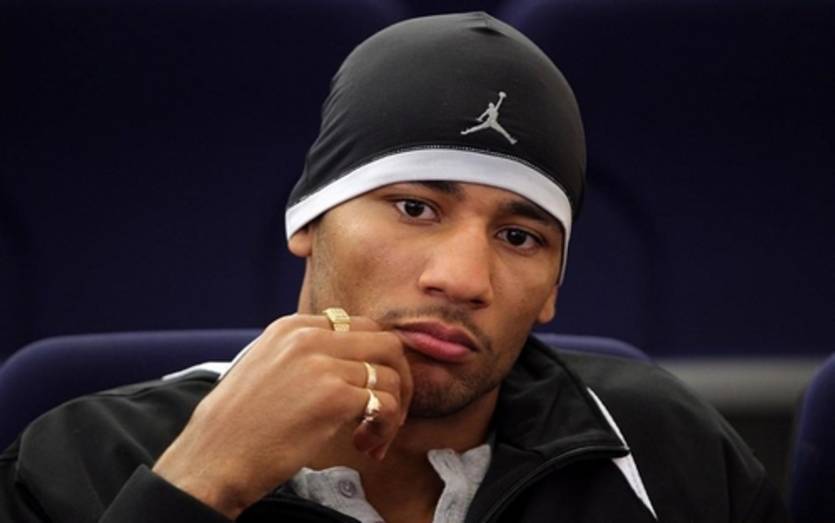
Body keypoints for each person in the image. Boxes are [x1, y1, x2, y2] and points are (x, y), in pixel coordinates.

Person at [0, 12, 787, 523]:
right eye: (415, 206)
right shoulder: (82, 460)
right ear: (308, 219)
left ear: (553, 287)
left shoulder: (666, 447)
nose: (463, 278)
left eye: (519, 236)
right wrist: (198, 484)